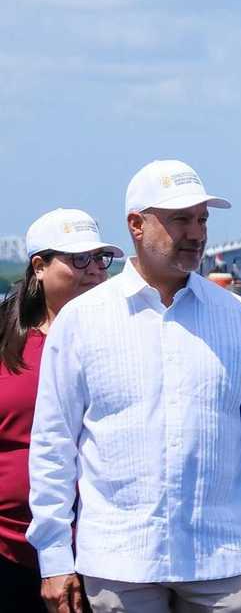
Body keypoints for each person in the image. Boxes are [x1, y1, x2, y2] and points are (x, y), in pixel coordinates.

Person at [27, 159, 241, 613]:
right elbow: (54, 446)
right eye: (180, 219)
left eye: (202, 219)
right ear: (136, 224)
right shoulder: (83, 320)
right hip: (119, 563)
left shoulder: (237, 317)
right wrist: (54, 555)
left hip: (219, 563)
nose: (196, 233)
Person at [0, 209, 120, 611]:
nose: (94, 271)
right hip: (7, 546)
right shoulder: (6, 341)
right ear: (39, 266)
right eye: (78, 259)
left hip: (96, 547)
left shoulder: (122, 342)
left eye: (100, 259)